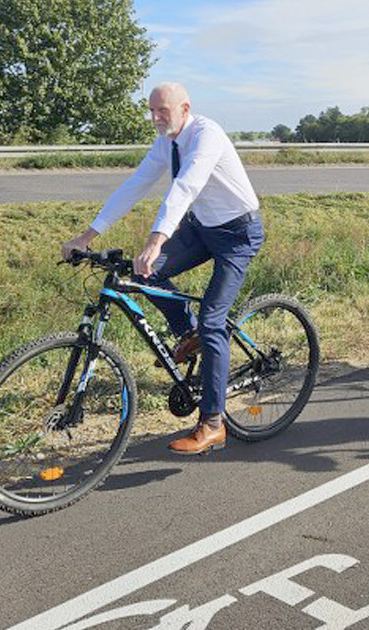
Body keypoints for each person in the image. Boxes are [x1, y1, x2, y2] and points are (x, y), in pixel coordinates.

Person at [60, 82, 263, 455]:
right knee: (142, 274)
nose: (155, 118)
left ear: (185, 108)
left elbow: (185, 187)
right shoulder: (167, 142)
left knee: (214, 320)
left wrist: (156, 241)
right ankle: (189, 333)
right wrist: (88, 235)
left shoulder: (207, 135)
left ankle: (214, 423)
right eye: (151, 111)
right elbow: (135, 185)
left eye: (162, 111)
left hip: (238, 233)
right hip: (201, 228)